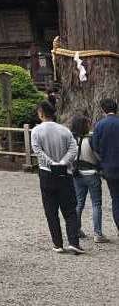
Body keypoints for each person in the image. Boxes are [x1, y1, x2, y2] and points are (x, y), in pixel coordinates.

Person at [30, 99, 82, 254]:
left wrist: (51, 162)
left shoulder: (36, 131)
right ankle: (73, 241)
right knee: (70, 209)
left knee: (51, 210)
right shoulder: (64, 130)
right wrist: (63, 162)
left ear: (41, 113)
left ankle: (58, 243)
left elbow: (37, 150)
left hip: (46, 171)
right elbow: (74, 149)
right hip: (65, 173)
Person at [70, 114, 107, 242]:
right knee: (96, 204)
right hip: (92, 174)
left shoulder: (71, 141)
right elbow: (98, 156)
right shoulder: (90, 140)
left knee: (79, 203)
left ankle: (76, 229)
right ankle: (98, 234)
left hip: (77, 174)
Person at [92, 96, 119, 234]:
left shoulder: (99, 125)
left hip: (109, 168)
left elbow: (95, 147)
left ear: (103, 110)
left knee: (116, 198)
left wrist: (102, 162)